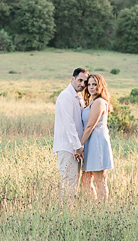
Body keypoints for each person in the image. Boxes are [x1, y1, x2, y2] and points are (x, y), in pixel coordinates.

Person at [53, 67, 88, 201]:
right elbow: (69, 124)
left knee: (73, 181)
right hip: (68, 147)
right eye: (80, 80)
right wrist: (77, 146)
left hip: (75, 147)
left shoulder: (77, 96)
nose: (82, 84)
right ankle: (66, 215)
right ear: (72, 79)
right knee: (68, 181)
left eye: (85, 82)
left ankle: (69, 213)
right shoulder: (66, 96)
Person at [79, 73, 114, 201]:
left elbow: (90, 126)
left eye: (94, 84)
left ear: (100, 85)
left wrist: (79, 145)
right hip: (90, 142)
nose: (91, 87)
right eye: (89, 85)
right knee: (85, 179)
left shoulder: (99, 102)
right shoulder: (92, 101)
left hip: (97, 142)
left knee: (100, 180)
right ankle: (93, 206)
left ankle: (102, 210)